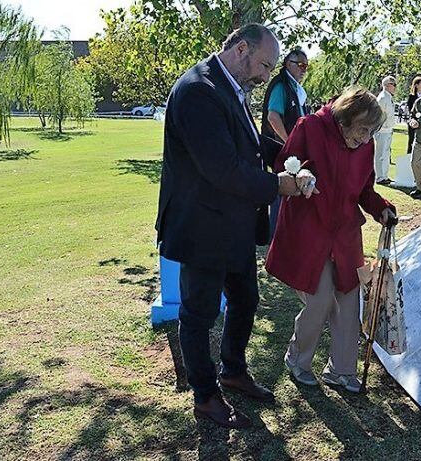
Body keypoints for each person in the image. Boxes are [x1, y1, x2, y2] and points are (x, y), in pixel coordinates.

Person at [155, 24, 315, 430]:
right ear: (241, 48)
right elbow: (222, 170)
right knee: (198, 313)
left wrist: (291, 156)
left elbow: (250, 142)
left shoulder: (230, 87)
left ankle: (233, 370)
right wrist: (279, 185)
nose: (266, 75)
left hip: (234, 224)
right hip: (202, 227)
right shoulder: (197, 91)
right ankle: (206, 396)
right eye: (264, 65)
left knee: (245, 300)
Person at [265, 86, 396, 393]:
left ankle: (341, 370)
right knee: (320, 300)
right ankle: (297, 359)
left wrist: (383, 209)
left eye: (371, 132)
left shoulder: (366, 146)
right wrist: (302, 176)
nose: (365, 138)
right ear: (343, 119)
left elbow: (365, 191)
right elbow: (284, 164)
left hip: (346, 236)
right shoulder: (310, 126)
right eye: (362, 129)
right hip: (309, 233)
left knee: (349, 304)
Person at [261, 48, 310, 235]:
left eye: (306, 66)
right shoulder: (281, 85)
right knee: (281, 191)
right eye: (301, 65)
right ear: (288, 64)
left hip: (292, 151)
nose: (304, 69)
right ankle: (277, 236)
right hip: (282, 151)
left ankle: (287, 234)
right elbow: (273, 117)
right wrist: (289, 141)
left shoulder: (295, 88)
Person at [374, 76, 397, 185]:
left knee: (386, 153)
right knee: (381, 154)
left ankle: (385, 175)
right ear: (387, 85)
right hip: (382, 130)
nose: (395, 87)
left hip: (388, 129)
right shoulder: (382, 98)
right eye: (393, 84)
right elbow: (377, 115)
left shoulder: (388, 97)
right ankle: (379, 177)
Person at [406, 76, 421, 155]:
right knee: (412, 141)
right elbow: (411, 110)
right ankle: (409, 158)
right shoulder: (412, 97)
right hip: (414, 122)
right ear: (416, 85)